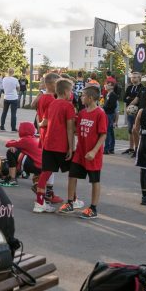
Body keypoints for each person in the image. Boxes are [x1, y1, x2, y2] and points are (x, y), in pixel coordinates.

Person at [60, 86, 107, 219]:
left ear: (90, 98)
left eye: (83, 95)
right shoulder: (82, 113)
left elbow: (103, 135)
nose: (81, 97)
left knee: (95, 181)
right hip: (80, 152)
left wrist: (94, 151)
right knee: (72, 176)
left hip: (92, 155)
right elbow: (75, 129)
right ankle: (70, 202)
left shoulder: (100, 113)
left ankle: (93, 208)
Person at [34, 78, 75, 214]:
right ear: (66, 91)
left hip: (48, 143)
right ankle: (73, 199)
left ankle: (39, 203)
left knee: (45, 173)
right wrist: (71, 147)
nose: (72, 93)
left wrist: (39, 125)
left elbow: (44, 122)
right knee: (73, 171)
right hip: (61, 144)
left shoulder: (52, 103)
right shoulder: (68, 106)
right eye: (71, 90)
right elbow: (70, 128)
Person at [1, 121, 42, 187]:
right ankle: (23, 172)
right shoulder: (34, 138)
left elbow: (8, 144)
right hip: (42, 167)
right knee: (20, 150)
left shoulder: (25, 140)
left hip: (35, 166)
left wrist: (13, 144)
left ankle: (12, 179)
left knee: (11, 152)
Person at [123, 73, 144, 155]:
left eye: (135, 77)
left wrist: (130, 98)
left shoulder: (142, 88)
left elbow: (139, 99)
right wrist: (131, 99)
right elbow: (124, 98)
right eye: (131, 77)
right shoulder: (129, 87)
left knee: (136, 130)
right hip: (129, 111)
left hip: (138, 112)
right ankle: (131, 148)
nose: (132, 79)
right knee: (130, 130)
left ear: (139, 78)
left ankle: (137, 148)